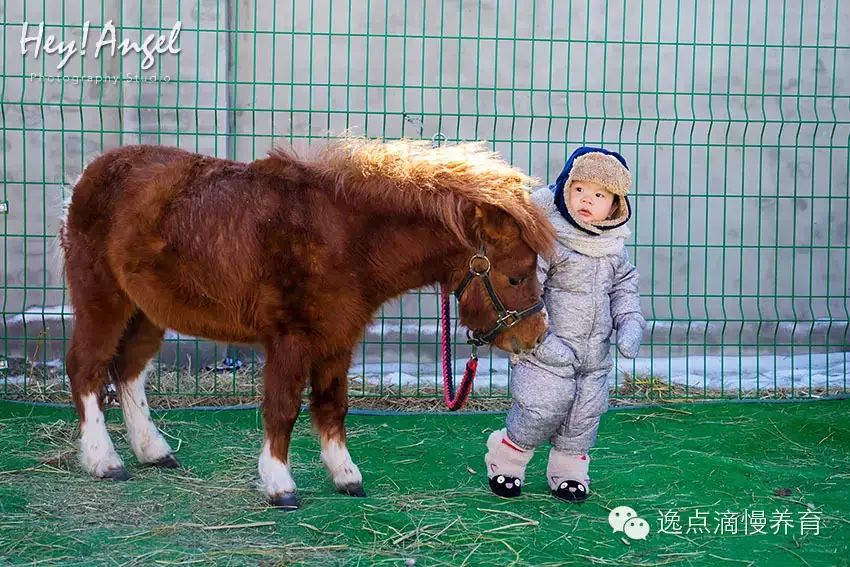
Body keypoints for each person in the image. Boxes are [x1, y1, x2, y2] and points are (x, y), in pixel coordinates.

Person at [484, 146, 646, 502]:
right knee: (541, 408)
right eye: (578, 190)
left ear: (615, 205)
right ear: (563, 190)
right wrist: (540, 340)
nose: (587, 200)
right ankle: (507, 457)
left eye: (599, 195)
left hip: (593, 354)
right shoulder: (550, 239)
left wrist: (630, 321)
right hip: (547, 348)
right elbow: (527, 291)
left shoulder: (615, 247)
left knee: (584, 415)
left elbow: (624, 285)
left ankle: (569, 471)